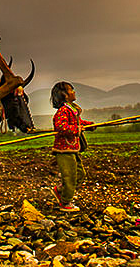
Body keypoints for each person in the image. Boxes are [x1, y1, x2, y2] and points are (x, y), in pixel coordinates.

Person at [50, 81, 94, 212]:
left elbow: (78, 123)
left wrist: (88, 125)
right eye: (71, 90)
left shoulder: (72, 109)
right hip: (64, 150)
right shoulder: (63, 111)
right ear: (64, 94)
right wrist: (77, 129)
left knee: (80, 174)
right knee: (70, 176)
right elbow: (61, 127)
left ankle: (60, 190)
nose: (74, 92)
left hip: (73, 148)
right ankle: (65, 202)